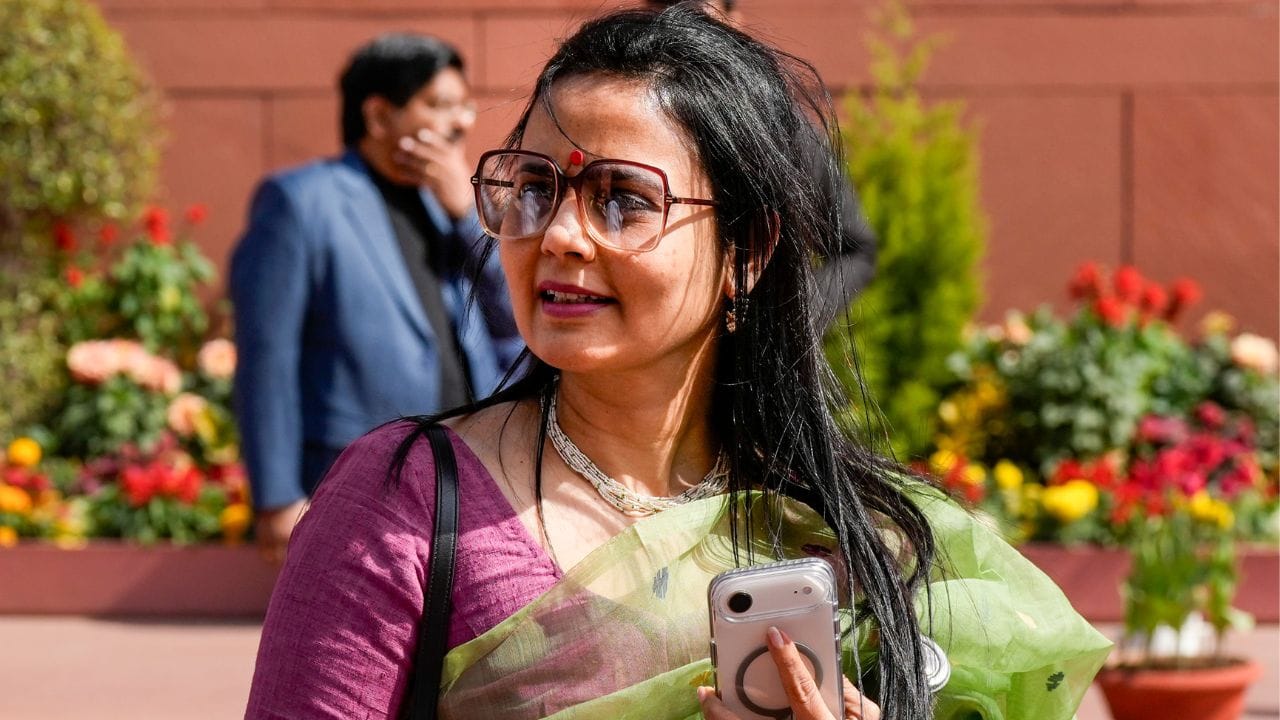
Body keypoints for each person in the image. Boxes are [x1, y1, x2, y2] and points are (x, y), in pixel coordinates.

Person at [246, 7, 1110, 720]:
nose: (561, 235)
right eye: (537, 187)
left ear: (748, 249)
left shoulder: (836, 533)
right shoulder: (401, 506)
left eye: (622, 198)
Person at [230, 33, 521, 563]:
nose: (461, 122)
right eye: (439, 105)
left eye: (464, 105)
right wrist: (276, 498)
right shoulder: (302, 202)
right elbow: (268, 356)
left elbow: (511, 315)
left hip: (466, 474)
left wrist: (469, 216)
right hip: (352, 480)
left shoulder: (449, 205)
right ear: (380, 116)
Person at [643, 0, 880, 329]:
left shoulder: (779, 127)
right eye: (661, 10)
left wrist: (789, 318)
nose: (674, 23)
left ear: (733, 21)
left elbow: (854, 248)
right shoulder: (610, 120)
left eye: (693, 10)